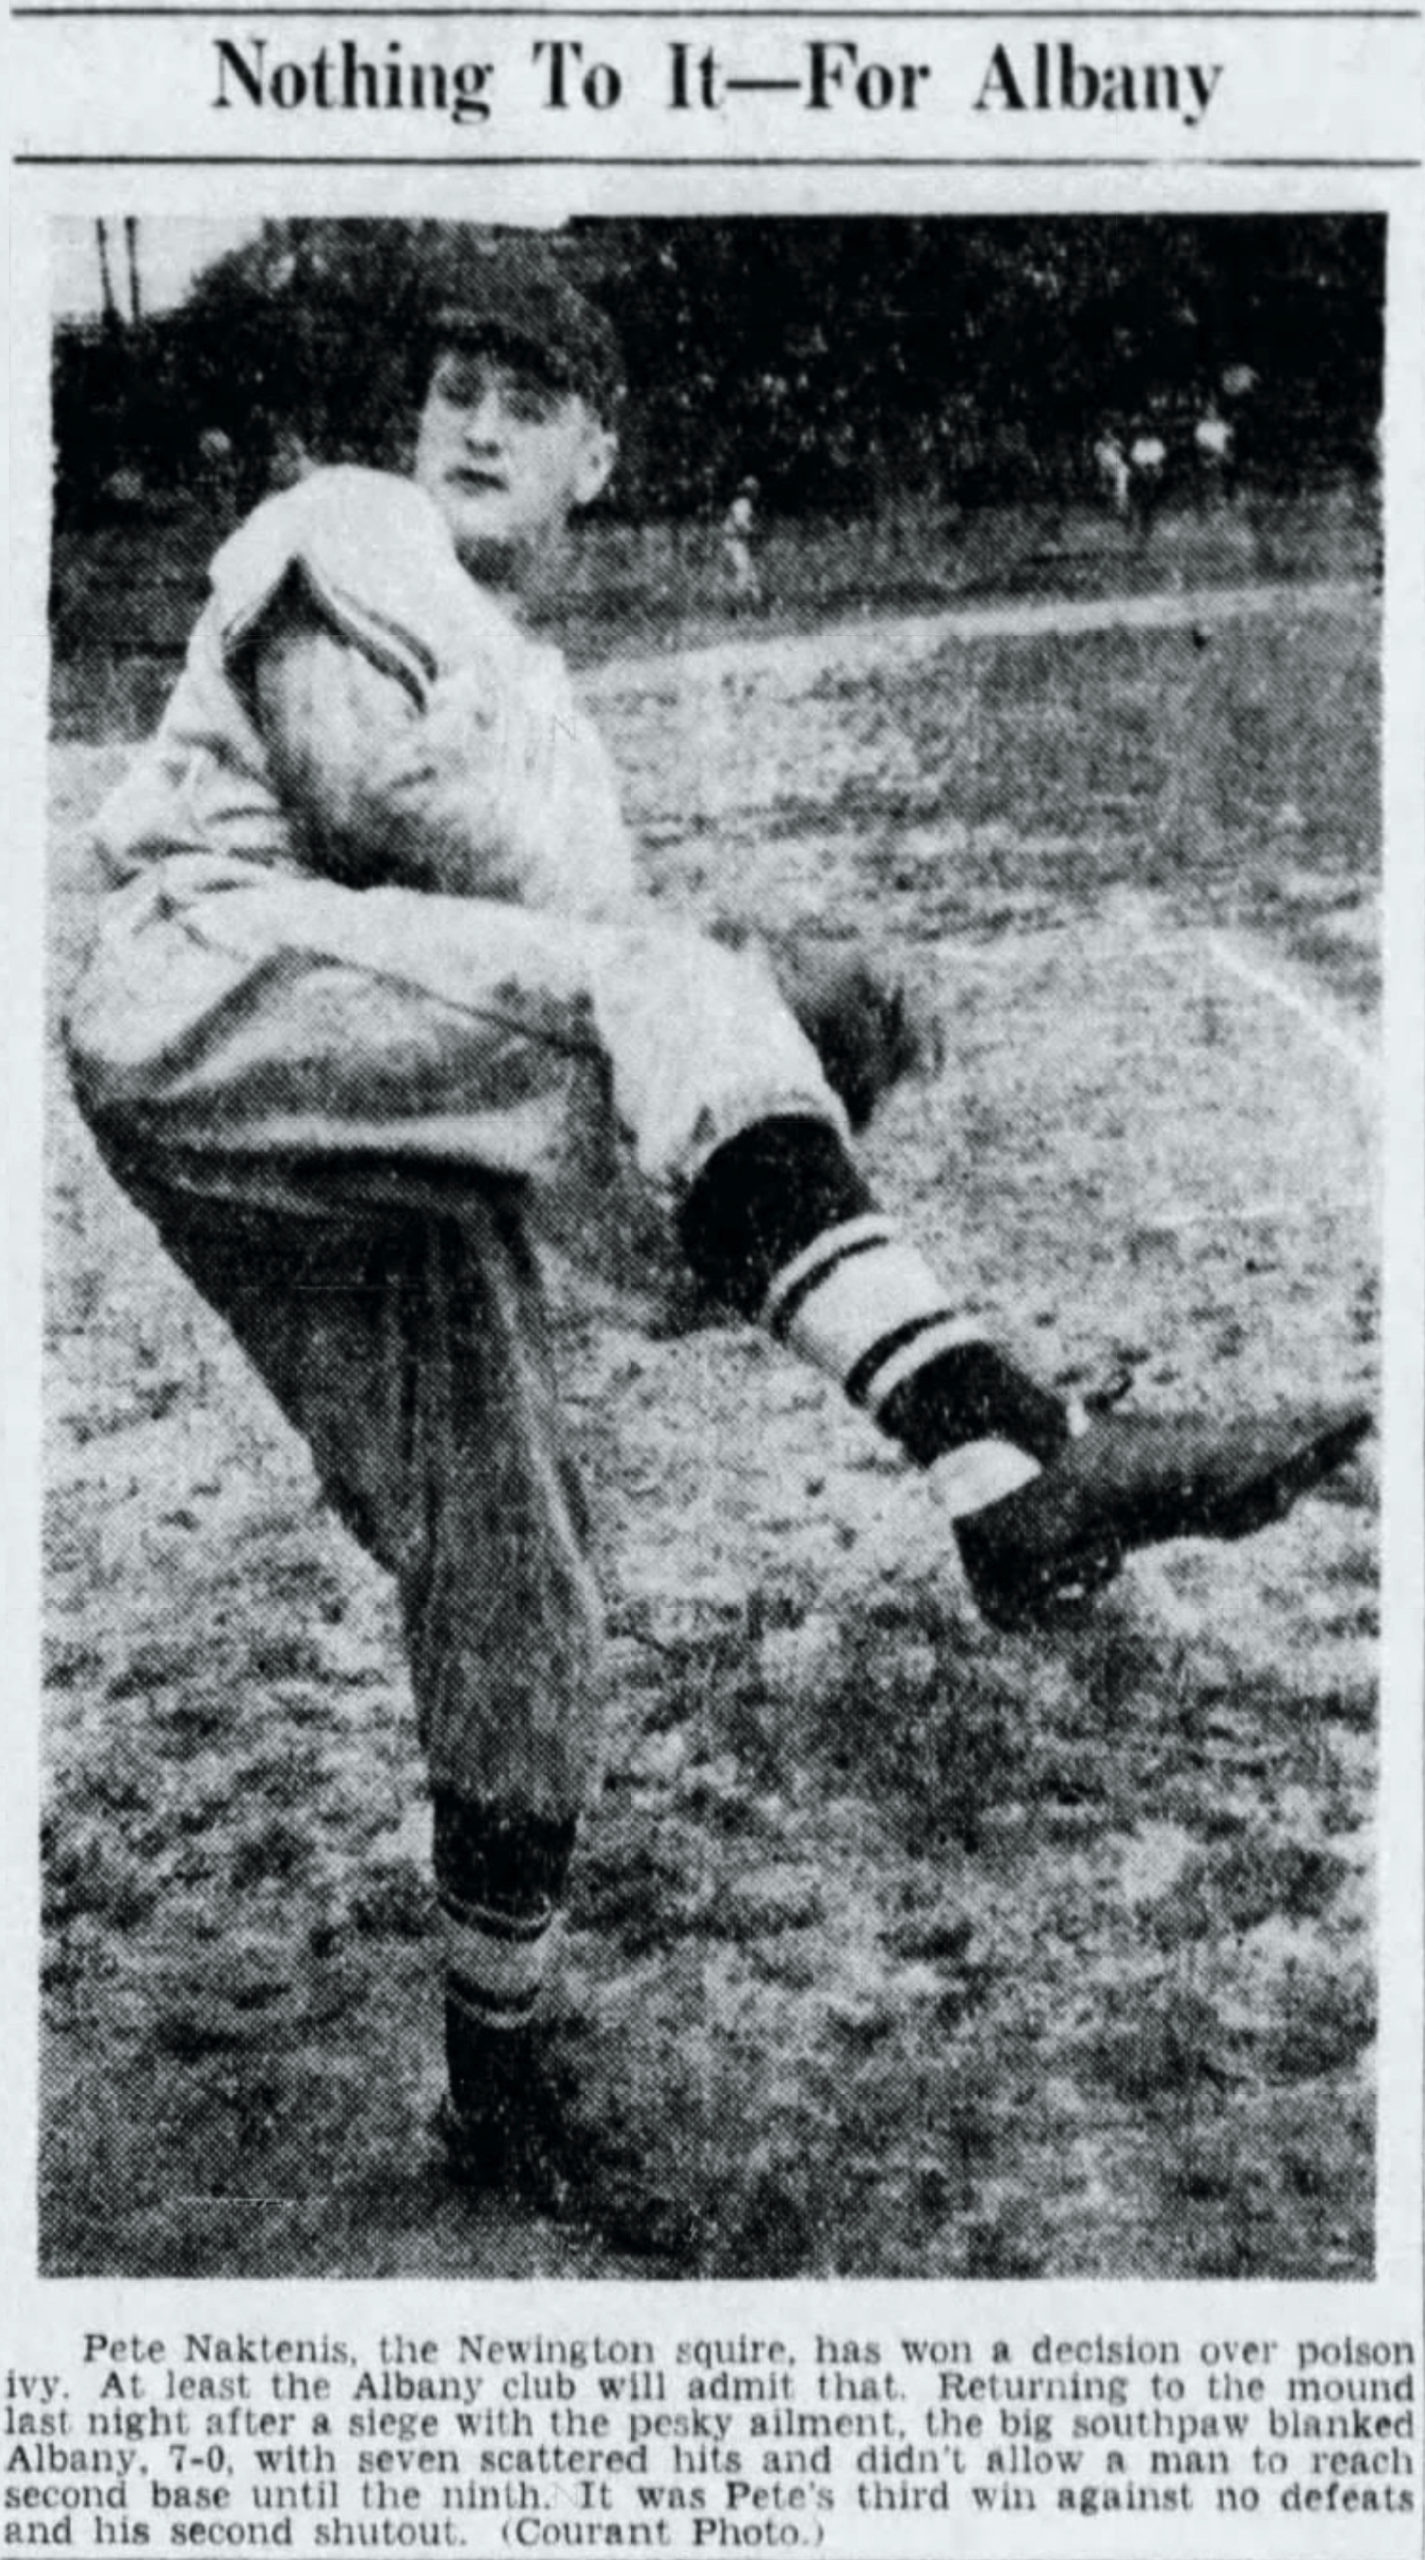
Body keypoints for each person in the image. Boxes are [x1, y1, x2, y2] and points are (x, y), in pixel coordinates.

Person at [63, 234, 1369, 2211]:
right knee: (659, 986)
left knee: (518, 1558)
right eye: (453, 386)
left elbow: (644, 1206)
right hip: (211, 988)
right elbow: (384, 787)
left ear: (601, 448)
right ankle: (1011, 1463)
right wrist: (731, 981)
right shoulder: (350, 522)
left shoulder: (568, 718)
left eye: (526, 394)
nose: (475, 418)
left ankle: (499, 2086)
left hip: (375, 1097)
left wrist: (773, 1072)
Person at [722, 474, 762, 608]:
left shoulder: (746, 504)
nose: (757, 492)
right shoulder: (742, 504)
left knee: (751, 575)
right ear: (750, 491)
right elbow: (741, 524)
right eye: (755, 489)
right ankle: (735, 606)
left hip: (741, 542)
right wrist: (753, 532)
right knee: (743, 573)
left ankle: (755, 606)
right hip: (735, 542)